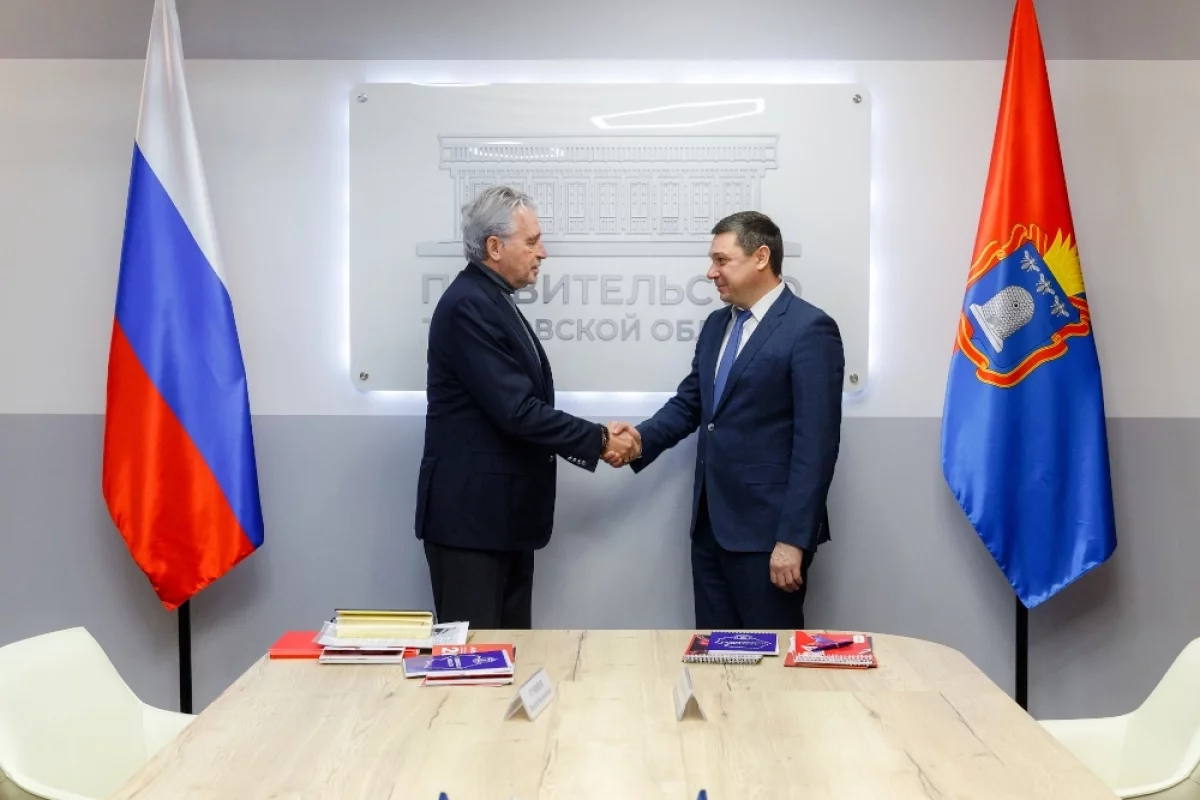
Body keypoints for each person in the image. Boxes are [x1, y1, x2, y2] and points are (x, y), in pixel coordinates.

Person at [609, 211, 844, 630]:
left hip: (769, 537)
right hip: (710, 529)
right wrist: (639, 440)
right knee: (714, 657)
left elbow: (817, 445)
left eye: (722, 260)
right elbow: (692, 404)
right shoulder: (717, 325)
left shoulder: (810, 329)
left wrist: (793, 539)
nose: (711, 272)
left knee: (771, 660)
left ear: (761, 257)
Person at [416, 185, 637, 629]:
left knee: (510, 653)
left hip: (499, 520)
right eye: (532, 241)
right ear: (494, 247)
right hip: (472, 524)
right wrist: (599, 440)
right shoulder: (469, 305)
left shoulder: (491, 299)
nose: (543, 252)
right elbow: (517, 411)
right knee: (477, 660)